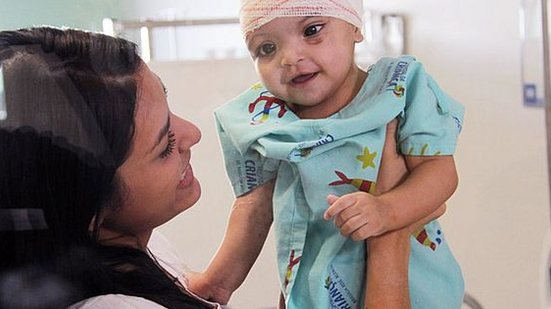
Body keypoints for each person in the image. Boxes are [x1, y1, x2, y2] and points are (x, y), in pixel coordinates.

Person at [0, 26, 421, 309]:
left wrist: (257, 207)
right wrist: (392, 226)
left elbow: (193, 293)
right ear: (87, 205)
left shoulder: (136, 248)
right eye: (165, 144)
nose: (192, 134)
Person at [188, 0, 465, 308]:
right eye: (266, 48)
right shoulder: (267, 117)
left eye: (312, 30)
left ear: (355, 26)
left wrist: (387, 210)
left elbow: (439, 172)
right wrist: (218, 281)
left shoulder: (398, 89)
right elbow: (254, 206)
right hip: (314, 292)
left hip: (413, 287)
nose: (289, 58)